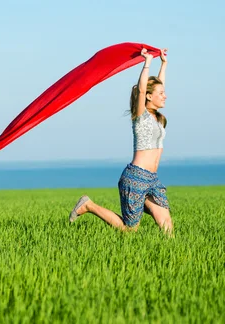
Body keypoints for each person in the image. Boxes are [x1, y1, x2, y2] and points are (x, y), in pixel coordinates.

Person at [69, 47, 174, 234]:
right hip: (135, 178)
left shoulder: (157, 118)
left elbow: (158, 85)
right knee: (130, 229)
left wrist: (164, 64)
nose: (165, 96)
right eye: (160, 94)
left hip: (153, 179)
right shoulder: (141, 117)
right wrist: (147, 63)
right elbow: (143, 90)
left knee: (166, 223)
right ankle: (89, 205)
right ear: (149, 97)